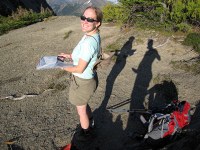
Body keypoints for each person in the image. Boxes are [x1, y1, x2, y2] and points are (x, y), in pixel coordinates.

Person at [58, 6, 103, 141]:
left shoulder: (89, 42)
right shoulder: (91, 35)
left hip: (83, 82)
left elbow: (79, 69)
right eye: (83, 17)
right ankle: (90, 121)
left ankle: (86, 132)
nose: (85, 21)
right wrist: (69, 56)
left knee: (81, 110)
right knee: (84, 104)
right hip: (87, 80)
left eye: (90, 19)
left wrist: (62, 66)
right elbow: (83, 55)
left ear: (97, 23)